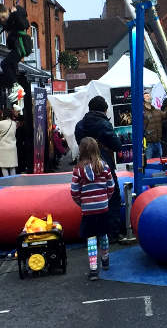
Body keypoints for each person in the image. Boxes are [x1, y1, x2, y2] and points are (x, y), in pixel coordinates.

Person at [75, 96, 123, 241]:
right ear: (104, 109)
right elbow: (117, 146)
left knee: (88, 197)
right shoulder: (104, 124)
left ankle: (90, 235)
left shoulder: (80, 125)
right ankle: (112, 233)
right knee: (112, 196)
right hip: (103, 163)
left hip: (84, 164)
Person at [70, 137, 115, 280]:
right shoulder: (104, 166)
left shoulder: (78, 170)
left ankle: (93, 269)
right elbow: (111, 186)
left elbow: (74, 191)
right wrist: (105, 199)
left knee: (91, 237)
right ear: (97, 149)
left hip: (88, 209)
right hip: (103, 207)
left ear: (81, 151)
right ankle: (105, 260)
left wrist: (82, 202)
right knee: (103, 234)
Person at [0, 3, 31, 111]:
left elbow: (24, 25)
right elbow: (9, 26)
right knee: (12, 65)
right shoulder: (8, 22)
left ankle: (16, 87)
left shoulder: (17, 13)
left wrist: (15, 13)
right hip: (17, 46)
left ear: (7, 12)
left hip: (21, 45)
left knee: (4, 64)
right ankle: (18, 95)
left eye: (3, 17)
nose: (2, 20)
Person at [0, 112, 18, 176]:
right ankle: (14, 182)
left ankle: (7, 181)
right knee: (12, 166)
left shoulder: (0, 123)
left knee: (3, 166)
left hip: (3, 147)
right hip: (12, 147)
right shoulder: (14, 123)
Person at [143, 91, 164, 161]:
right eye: (147, 96)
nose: (149, 97)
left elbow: (165, 115)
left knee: (159, 162)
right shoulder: (142, 112)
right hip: (149, 143)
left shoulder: (157, 111)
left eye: (149, 95)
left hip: (158, 141)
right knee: (148, 162)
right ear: (143, 100)